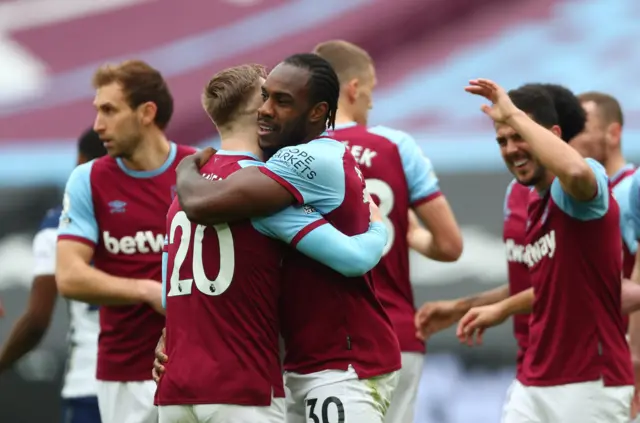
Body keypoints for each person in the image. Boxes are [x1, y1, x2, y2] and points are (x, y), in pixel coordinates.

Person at [156, 63, 389, 423]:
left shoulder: (188, 194)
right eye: (266, 97)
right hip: (243, 387)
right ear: (254, 113)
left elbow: (168, 286)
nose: (269, 107)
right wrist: (379, 228)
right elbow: (354, 257)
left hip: (176, 391)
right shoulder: (264, 196)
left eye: (278, 99)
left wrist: (171, 335)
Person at [456, 80, 633, 423]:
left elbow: (575, 170)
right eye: (502, 141)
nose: (510, 149)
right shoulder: (533, 202)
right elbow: (556, 288)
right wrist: (494, 308)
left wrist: (511, 113)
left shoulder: (581, 185)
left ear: (553, 134)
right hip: (534, 380)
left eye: (519, 135)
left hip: (590, 383)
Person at [312, 39, 462, 423]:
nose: (373, 103)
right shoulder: (397, 146)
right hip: (394, 335)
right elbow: (449, 245)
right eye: (372, 90)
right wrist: (412, 236)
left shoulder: (296, 150)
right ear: (354, 88)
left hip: (316, 340)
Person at [56, 60, 196, 423]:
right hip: (125, 376)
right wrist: (147, 291)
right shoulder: (88, 180)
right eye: (97, 111)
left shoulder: (198, 170)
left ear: (146, 112)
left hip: (201, 365)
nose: (98, 125)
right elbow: (69, 276)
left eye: (109, 110)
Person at [0, 128, 106, 423]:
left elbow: (36, 320)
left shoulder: (60, 223)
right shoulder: (158, 212)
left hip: (91, 380)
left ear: (81, 161)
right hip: (156, 382)